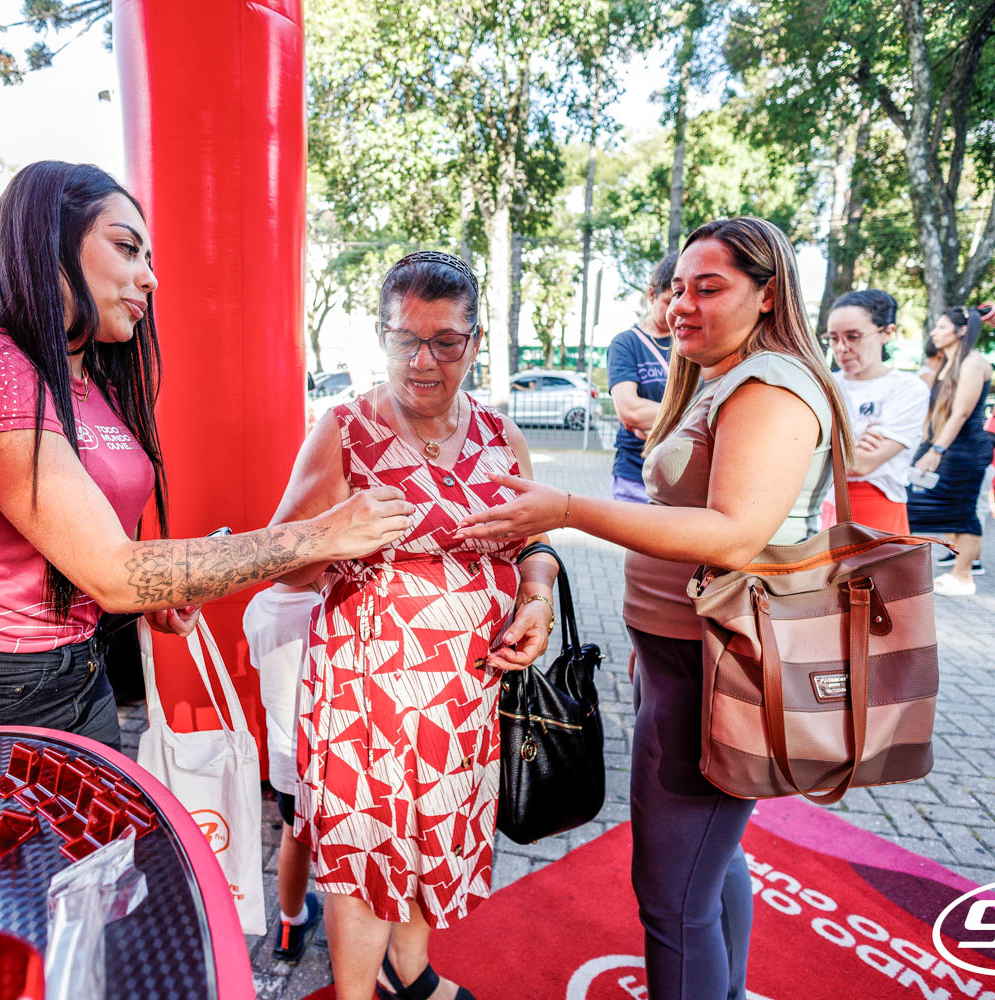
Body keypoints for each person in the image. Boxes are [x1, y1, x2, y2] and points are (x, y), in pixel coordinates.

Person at [0, 161, 415, 754]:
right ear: (50, 241)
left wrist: (159, 592)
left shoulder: (93, 379)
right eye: (127, 249)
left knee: (104, 822)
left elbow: (93, 564)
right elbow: (114, 571)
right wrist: (322, 535)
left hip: (82, 672)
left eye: (149, 259)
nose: (149, 278)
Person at [456, 217, 848, 1000]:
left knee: (672, 901)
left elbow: (734, 533)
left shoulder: (769, 388)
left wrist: (568, 509)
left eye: (709, 288)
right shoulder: (722, 375)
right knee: (708, 868)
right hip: (684, 658)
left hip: (718, 667)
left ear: (768, 294)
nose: (682, 306)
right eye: (677, 288)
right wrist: (650, 643)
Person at [270, 251, 559, 1000]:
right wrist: (334, 533)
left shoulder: (500, 436)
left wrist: (537, 596)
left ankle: (410, 971)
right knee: (368, 856)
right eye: (405, 340)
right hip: (367, 700)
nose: (423, 361)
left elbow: (534, 541)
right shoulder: (344, 430)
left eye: (445, 341)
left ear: (475, 341)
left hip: (465, 696)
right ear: (383, 336)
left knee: (434, 840)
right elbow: (282, 565)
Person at [243, 582, 326, 962]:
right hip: (332, 754)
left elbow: (259, 664)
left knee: (294, 837)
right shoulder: (327, 606)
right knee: (343, 848)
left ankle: (291, 923)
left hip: (286, 757)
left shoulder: (258, 605)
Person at [826, 289, 930, 534]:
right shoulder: (824, 383)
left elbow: (862, 463)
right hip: (823, 506)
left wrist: (824, 448)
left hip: (877, 511)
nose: (841, 348)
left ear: (887, 333)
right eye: (833, 338)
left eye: (853, 337)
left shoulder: (908, 388)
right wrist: (851, 446)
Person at [906, 307, 994, 597]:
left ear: (962, 330)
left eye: (942, 327)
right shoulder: (948, 363)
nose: (935, 332)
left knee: (963, 513)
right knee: (947, 512)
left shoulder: (972, 363)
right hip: (946, 447)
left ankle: (964, 576)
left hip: (964, 451)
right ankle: (957, 571)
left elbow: (961, 413)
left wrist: (937, 450)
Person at [607, 253, 677, 502]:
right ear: (651, 294)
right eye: (669, 300)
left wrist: (658, 424)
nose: (676, 310)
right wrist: (693, 423)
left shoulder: (693, 343)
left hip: (683, 480)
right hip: (635, 477)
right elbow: (630, 410)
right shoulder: (626, 343)